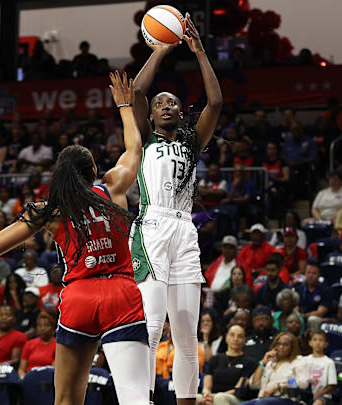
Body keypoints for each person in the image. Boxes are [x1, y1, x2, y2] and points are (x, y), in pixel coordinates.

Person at [0, 72, 151, 404]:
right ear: (93, 172)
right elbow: (134, 148)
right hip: (121, 291)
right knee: (136, 396)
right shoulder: (112, 186)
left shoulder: (50, 209)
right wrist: (124, 106)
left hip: (79, 296)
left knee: (66, 398)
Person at [131, 14, 222, 405]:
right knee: (151, 328)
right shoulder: (141, 140)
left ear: (181, 113)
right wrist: (162, 50)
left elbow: (216, 101)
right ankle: (141, 400)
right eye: (160, 103)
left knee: (187, 335)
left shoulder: (191, 143)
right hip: (151, 228)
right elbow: (136, 91)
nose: (166, 106)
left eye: (173, 102)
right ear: (150, 116)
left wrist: (199, 52)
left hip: (184, 231)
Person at [198, 324, 259, 405]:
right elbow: (206, 386)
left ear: (244, 340)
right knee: (195, 398)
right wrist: (206, 395)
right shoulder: (215, 359)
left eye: (240, 336)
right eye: (232, 335)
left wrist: (214, 396)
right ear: (226, 338)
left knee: (220, 397)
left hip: (235, 398)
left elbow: (238, 388)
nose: (235, 339)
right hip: (212, 396)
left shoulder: (250, 362)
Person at [245, 332, 309, 404]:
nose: (281, 347)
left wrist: (278, 386)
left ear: (292, 347)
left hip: (287, 399)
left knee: (262, 403)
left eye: (285, 344)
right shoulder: (271, 363)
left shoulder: (299, 361)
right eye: (279, 344)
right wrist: (263, 362)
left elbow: (303, 383)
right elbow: (253, 385)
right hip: (264, 398)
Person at [293, 260, 332, 331]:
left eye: (314, 273)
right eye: (308, 273)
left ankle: (313, 340)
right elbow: (295, 306)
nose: (310, 276)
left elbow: (320, 312)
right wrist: (298, 315)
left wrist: (304, 316)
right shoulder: (299, 287)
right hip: (300, 316)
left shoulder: (325, 290)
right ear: (305, 273)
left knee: (312, 319)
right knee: (292, 318)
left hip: (318, 318)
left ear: (319, 275)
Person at [18, 311, 57, 377]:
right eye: (39, 325)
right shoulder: (29, 344)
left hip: (46, 380)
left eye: (46, 325)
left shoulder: (57, 345)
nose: (42, 328)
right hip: (28, 379)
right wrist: (23, 379)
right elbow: (21, 369)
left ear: (53, 328)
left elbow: (53, 369)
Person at [302, 330, 337, 405]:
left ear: (326, 344)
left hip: (323, 396)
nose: (317, 343)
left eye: (321, 340)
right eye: (315, 340)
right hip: (305, 394)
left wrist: (318, 394)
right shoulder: (304, 360)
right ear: (310, 343)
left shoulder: (329, 362)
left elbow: (331, 385)